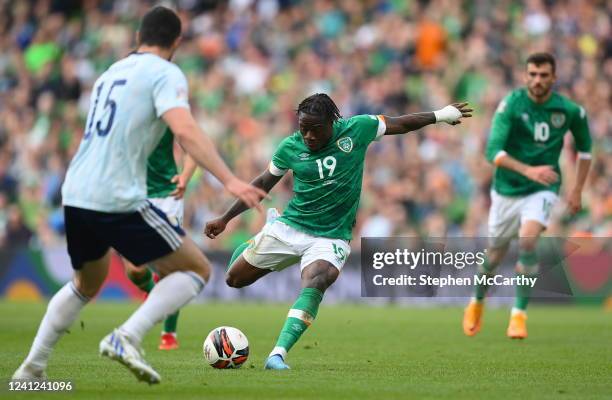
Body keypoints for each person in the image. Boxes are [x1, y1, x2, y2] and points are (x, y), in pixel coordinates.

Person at [12, 6, 265, 384]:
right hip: (115, 195)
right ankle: (126, 336)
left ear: (137, 38)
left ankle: (31, 370)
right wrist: (229, 180)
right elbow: (186, 130)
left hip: (76, 190)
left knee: (85, 285)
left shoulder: (110, 73)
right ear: (176, 42)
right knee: (196, 269)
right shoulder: (165, 73)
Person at [205, 93, 472, 369]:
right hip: (289, 227)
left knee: (318, 279)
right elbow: (263, 183)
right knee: (234, 280)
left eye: (315, 129)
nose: (308, 135)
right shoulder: (289, 147)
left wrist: (441, 114)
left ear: (332, 122)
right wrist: (225, 218)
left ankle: (278, 354)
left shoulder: (358, 128)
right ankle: (261, 236)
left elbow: (400, 124)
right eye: (303, 128)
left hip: (331, 235)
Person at [462, 52, 592, 339]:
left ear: (554, 78)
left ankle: (518, 314)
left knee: (529, 239)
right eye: (532, 74)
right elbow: (492, 151)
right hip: (507, 189)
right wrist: (528, 170)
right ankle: (477, 300)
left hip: (542, 188)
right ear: (525, 76)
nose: (537, 80)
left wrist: (578, 188)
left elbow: (585, 150)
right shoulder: (511, 105)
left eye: (544, 75)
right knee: (494, 254)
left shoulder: (569, 111)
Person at [123, 127, 197, 351]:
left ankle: (169, 333)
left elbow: (193, 147)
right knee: (135, 270)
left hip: (167, 198)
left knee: (170, 271)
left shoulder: (167, 112)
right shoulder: (123, 112)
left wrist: (184, 177)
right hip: (133, 199)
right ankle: (153, 294)